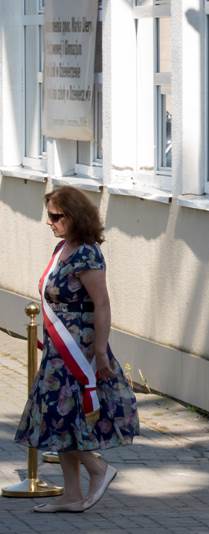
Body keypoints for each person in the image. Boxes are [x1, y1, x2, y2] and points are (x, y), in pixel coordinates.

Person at [15, 186, 140, 513]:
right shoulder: (63, 249)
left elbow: (101, 303)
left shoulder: (87, 254)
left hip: (79, 350)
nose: (50, 222)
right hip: (58, 348)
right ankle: (71, 494)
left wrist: (100, 350)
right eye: (49, 216)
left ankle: (98, 469)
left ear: (75, 217)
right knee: (58, 413)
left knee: (63, 415)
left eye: (56, 217)